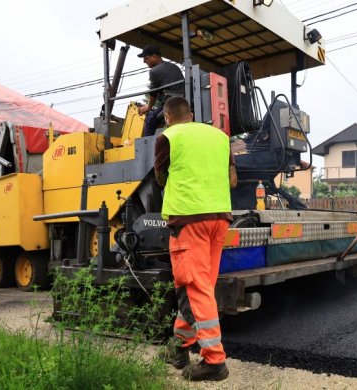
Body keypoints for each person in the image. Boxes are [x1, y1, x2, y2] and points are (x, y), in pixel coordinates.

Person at [154, 96, 234, 381]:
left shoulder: (167, 138)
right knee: (199, 284)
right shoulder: (219, 137)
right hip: (220, 218)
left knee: (194, 286)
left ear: (167, 117)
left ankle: (214, 361)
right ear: (190, 114)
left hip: (189, 220)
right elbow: (232, 179)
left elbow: (160, 179)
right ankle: (178, 346)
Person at [137, 44, 184, 136]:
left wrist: (148, 107)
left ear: (154, 57)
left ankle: (148, 147)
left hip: (169, 103)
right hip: (182, 100)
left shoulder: (154, 71)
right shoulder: (174, 66)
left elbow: (153, 94)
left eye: (146, 58)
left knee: (150, 119)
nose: (144, 61)